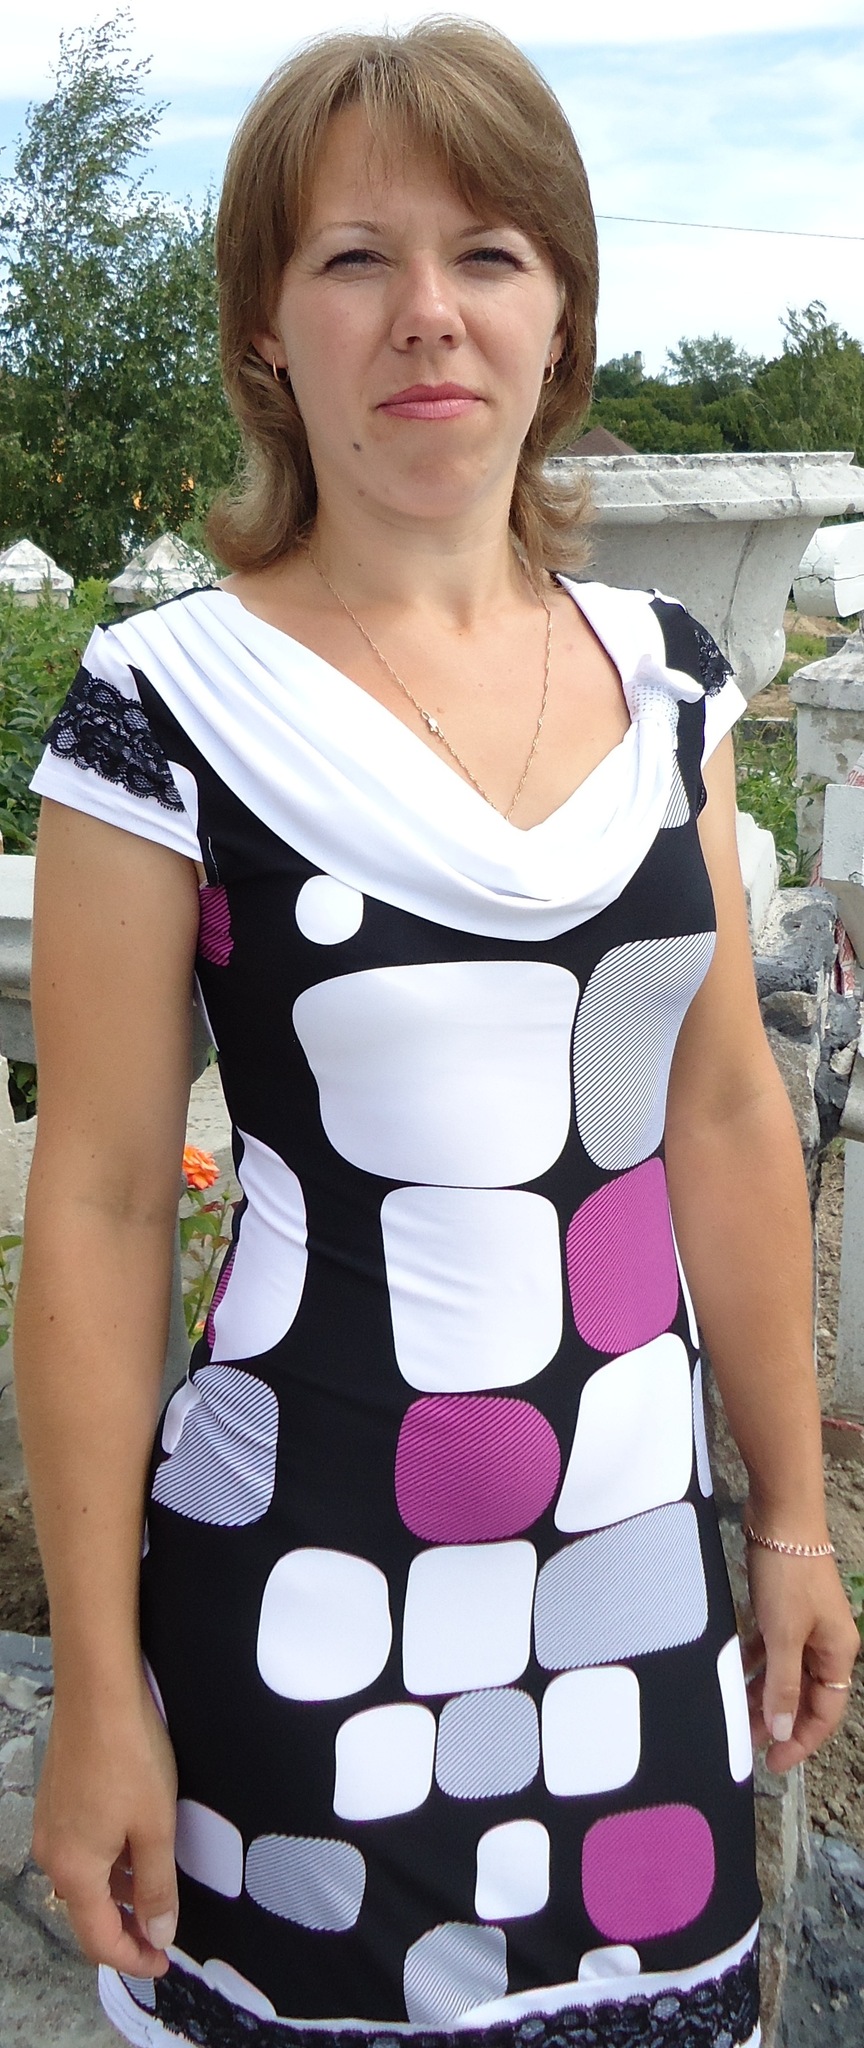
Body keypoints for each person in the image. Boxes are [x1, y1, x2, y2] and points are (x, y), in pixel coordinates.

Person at [15, 19, 859, 2048]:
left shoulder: (670, 684)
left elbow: (722, 1113)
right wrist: (104, 1686)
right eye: (352, 258)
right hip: (296, 1594)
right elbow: (109, 1200)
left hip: (630, 1592)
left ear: (561, 315)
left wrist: (791, 1514)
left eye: (488, 253)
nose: (428, 313)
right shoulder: (162, 706)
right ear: (266, 328)